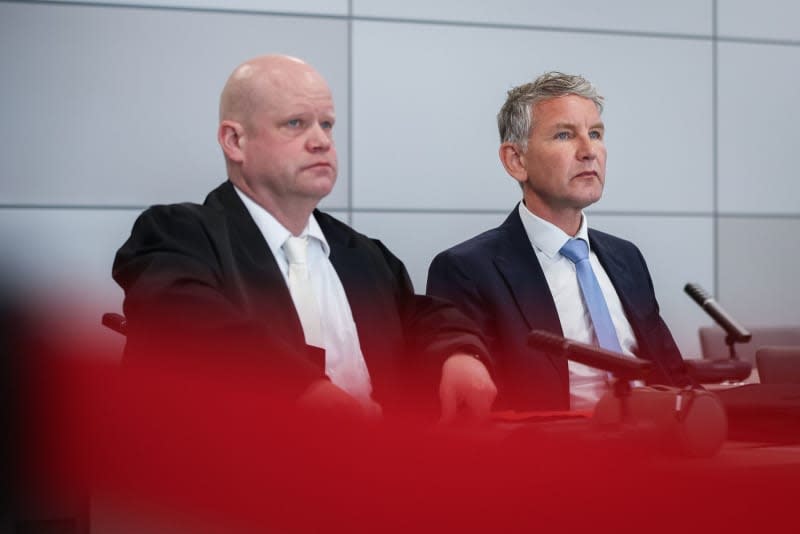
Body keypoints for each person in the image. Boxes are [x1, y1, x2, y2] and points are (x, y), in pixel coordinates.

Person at [113, 54, 496, 421]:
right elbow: (187, 320)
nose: (321, 142)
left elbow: (422, 317)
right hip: (235, 481)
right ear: (235, 141)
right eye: (295, 123)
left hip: (375, 477)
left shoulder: (363, 254)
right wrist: (300, 388)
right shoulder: (179, 234)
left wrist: (460, 356)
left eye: (326, 125)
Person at [427, 72, 690, 411]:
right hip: (554, 455)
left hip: (658, 446)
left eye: (595, 134)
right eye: (565, 135)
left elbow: (673, 374)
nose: (588, 151)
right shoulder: (467, 270)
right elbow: (484, 406)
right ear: (516, 160)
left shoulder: (627, 258)